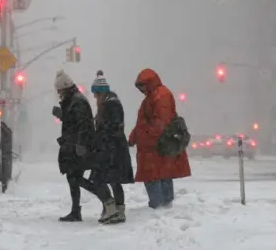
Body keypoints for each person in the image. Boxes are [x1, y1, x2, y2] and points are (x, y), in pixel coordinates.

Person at [53, 69, 118, 222]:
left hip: (79, 147)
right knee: (73, 177)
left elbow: (83, 125)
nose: (59, 94)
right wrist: (62, 114)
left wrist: (80, 145)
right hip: (75, 145)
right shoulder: (73, 100)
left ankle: (107, 200)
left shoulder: (77, 101)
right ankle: (78, 210)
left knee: (76, 178)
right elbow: (73, 120)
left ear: (65, 88)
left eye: (60, 91)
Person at [128, 68, 191, 209]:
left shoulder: (160, 96)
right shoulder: (153, 97)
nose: (142, 90)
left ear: (149, 83)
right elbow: (143, 123)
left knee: (155, 176)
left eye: (143, 86)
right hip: (155, 146)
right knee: (161, 174)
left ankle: (159, 207)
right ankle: (163, 206)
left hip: (156, 146)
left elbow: (160, 123)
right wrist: (134, 137)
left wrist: (143, 137)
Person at [89, 70, 134, 224]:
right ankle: (119, 211)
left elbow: (111, 128)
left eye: (96, 94)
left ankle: (111, 209)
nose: (95, 97)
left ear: (102, 92)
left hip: (111, 150)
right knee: (114, 181)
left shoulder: (111, 105)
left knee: (98, 180)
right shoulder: (111, 103)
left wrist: (98, 137)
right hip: (114, 149)